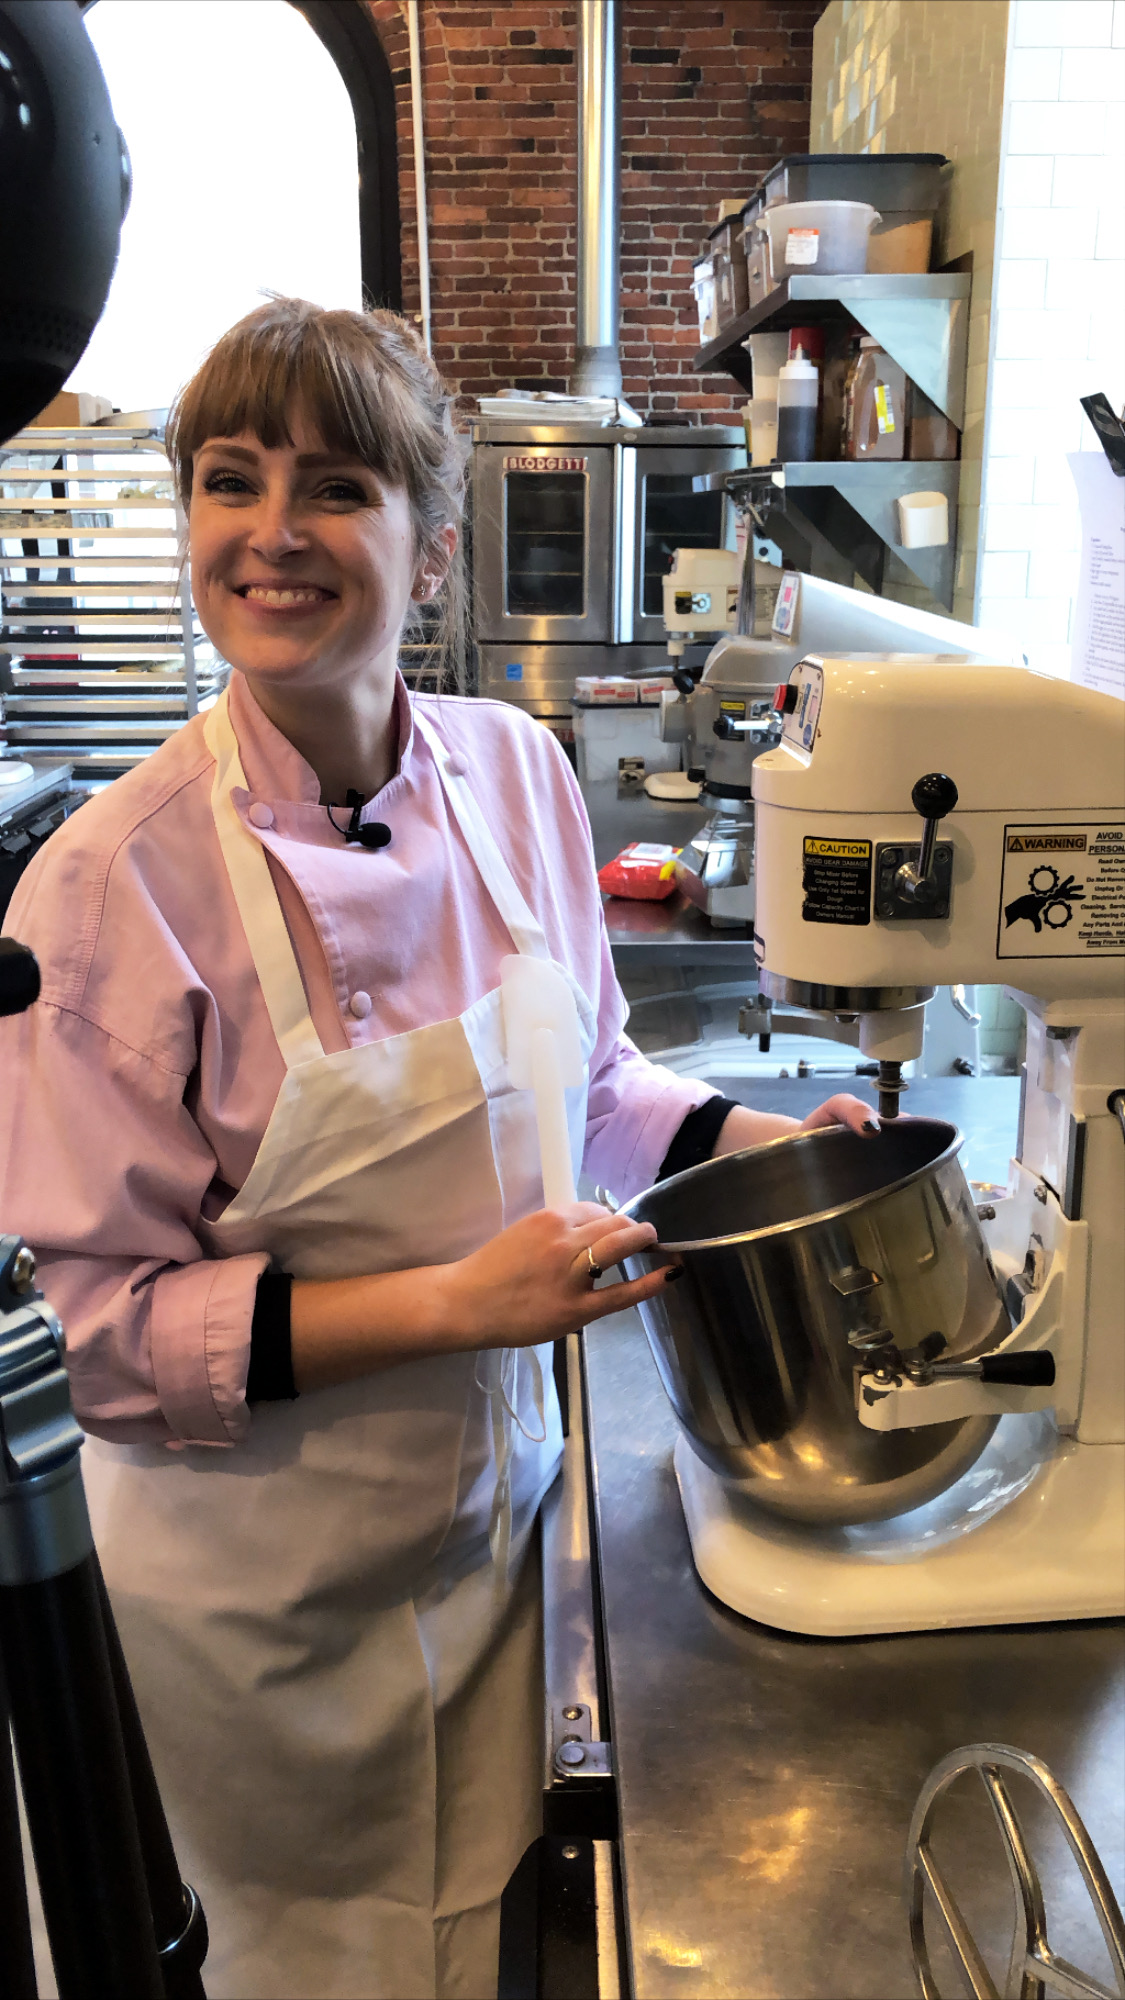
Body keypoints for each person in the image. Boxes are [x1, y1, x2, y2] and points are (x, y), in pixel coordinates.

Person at [0, 299, 875, 2000]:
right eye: (228, 482)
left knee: (463, 1946)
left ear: (432, 547)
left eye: (332, 487)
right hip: (251, 1622)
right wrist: (457, 1307)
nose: (269, 534)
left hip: (483, 1560)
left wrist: (780, 1144)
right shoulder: (111, 887)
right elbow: (97, 1333)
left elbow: (599, 1088)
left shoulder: (518, 773)